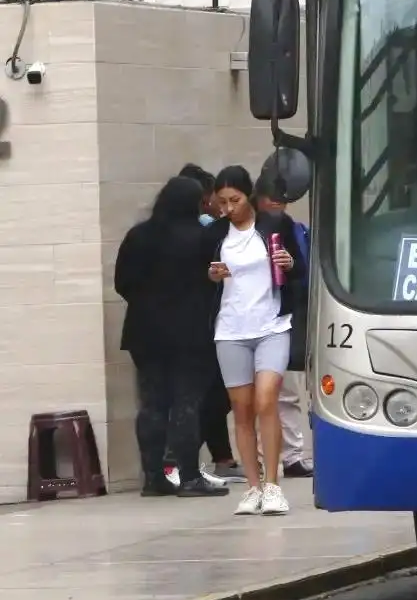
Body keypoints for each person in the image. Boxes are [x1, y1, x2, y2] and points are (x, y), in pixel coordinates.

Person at [114, 176, 229, 498]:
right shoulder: (202, 238)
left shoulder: (138, 236)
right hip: (189, 332)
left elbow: (122, 283)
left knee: (152, 404)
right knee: (186, 403)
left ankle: (153, 477)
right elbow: (215, 282)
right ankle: (190, 476)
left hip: (143, 332)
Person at [207, 166, 306, 515]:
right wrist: (212, 275)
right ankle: (252, 487)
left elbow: (300, 269)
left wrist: (290, 262)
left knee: (267, 400)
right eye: (222, 202)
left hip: (272, 324)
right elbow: (201, 278)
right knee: (242, 409)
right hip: (231, 329)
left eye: (234, 200)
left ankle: (274, 484)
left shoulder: (274, 225)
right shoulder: (217, 233)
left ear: (249, 195)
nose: (228, 208)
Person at [172, 163, 243, 485]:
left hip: (204, 324)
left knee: (215, 392)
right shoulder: (204, 233)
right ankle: (177, 457)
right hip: (205, 325)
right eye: (216, 197)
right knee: (214, 393)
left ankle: (223, 459)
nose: (220, 204)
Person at [255, 174, 313, 479]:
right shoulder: (244, 229)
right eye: (271, 196)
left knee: (286, 391)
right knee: (263, 395)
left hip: (284, 317)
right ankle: (272, 456)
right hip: (253, 320)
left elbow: (302, 273)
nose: (277, 202)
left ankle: (289, 454)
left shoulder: (293, 229)